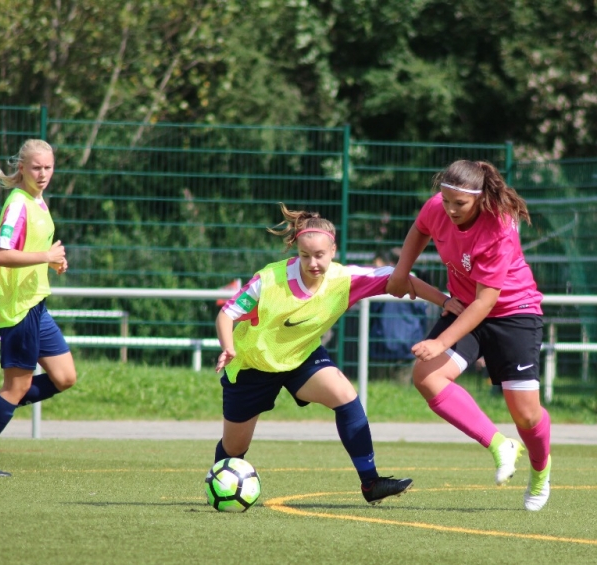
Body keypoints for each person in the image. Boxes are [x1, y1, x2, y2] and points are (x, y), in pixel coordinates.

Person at [214, 204, 458, 505]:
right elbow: (227, 314)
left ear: (333, 250)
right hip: (253, 365)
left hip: (302, 357)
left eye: (319, 255)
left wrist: (444, 301)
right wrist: (229, 346)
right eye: (305, 256)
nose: (312, 263)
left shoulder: (346, 279)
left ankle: (371, 483)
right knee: (234, 449)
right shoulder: (269, 280)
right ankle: (220, 484)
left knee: (345, 395)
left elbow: (401, 278)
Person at [385, 160, 552, 511]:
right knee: (427, 377)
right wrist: (402, 271)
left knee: (526, 416)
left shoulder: (499, 226)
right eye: (446, 200)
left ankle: (540, 471)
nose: (449, 209)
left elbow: (486, 302)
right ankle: (501, 445)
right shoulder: (438, 207)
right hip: (465, 307)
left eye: (459, 203)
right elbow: (420, 229)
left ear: (479, 198)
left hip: (512, 313)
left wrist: (440, 342)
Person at [0, 139, 75, 476]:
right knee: (17, 386)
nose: (43, 174)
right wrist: (46, 256)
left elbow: (32, 250)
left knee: (65, 377)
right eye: (36, 167)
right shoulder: (17, 204)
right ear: (21, 168)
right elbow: (2, 255)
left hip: (36, 302)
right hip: (17, 306)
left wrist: (51, 262)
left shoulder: (39, 202)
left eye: (48, 167)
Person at [369, 249, 428, 382]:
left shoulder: (381, 283)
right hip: (408, 344)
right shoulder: (417, 284)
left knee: (379, 384)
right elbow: (423, 316)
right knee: (401, 386)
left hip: (382, 345)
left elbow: (372, 313)